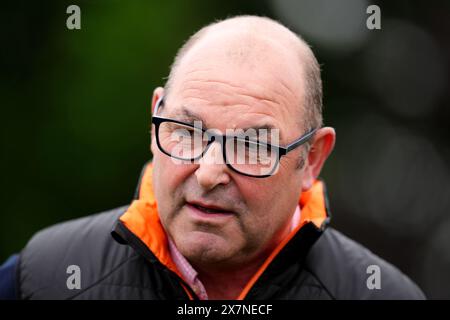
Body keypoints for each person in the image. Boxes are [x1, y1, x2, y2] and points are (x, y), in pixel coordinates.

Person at [0, 15, 425, 300]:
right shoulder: (41, 278)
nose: (208, 173)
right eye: (187, 132)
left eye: (253, 145)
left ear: (311, 160)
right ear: (155, 122)